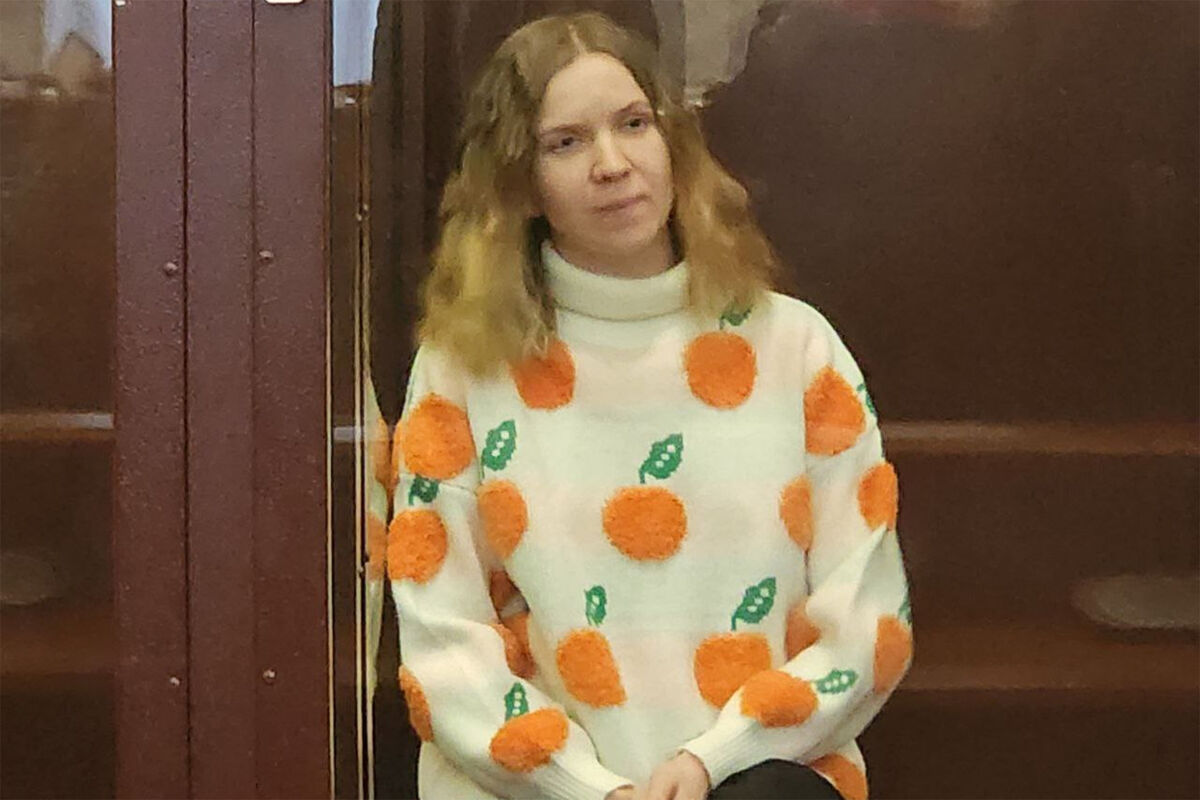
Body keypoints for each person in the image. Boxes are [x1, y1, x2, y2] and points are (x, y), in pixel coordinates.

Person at [386, 11, 913, 800]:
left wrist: (713, 759)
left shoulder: (796, 347)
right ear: (519, 183)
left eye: (633, 124)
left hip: (759, 784)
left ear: (674, 142)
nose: (612, 164)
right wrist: (589, 787)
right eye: (565, 143)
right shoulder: (463, 368)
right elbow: (445, 646)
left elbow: (867, 627)